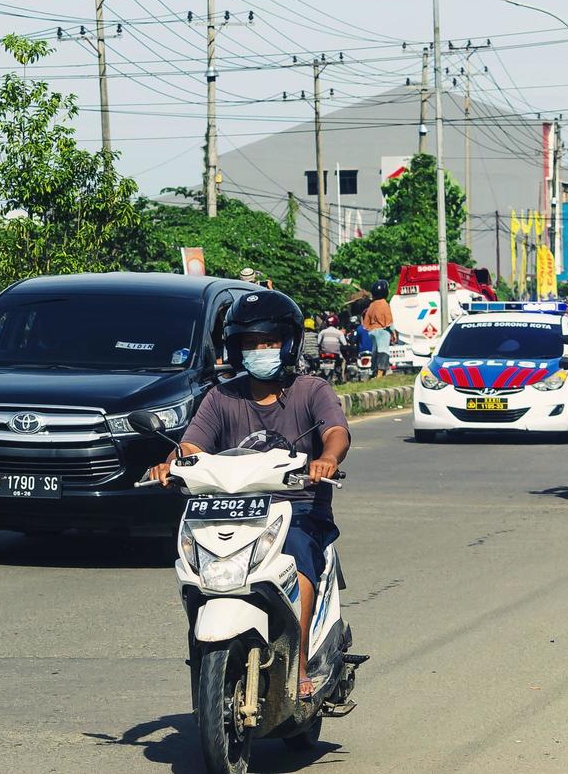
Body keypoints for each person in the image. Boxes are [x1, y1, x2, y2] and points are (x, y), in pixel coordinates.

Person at [146, 289, 350, 702]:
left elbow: (335, 432)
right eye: (251, 344)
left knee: (297, 559)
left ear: (288, 344)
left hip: (298, 510)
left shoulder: (312, 390)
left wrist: (326, 459)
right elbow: (192, 446)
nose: (261, 351)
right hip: (229, 511)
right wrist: (171, 463)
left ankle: (302, 662)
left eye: (270, 342)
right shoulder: (223, 397)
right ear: (236, 348)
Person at [362, 279, 394, 378]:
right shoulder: (384, 303)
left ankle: (377, 371)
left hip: (372, 332)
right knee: (383, 351)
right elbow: (388, 320)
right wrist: (393, 332)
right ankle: (380, 373)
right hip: (383, 331)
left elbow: (365, 322)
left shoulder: (371, 305)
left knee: (375, 351)